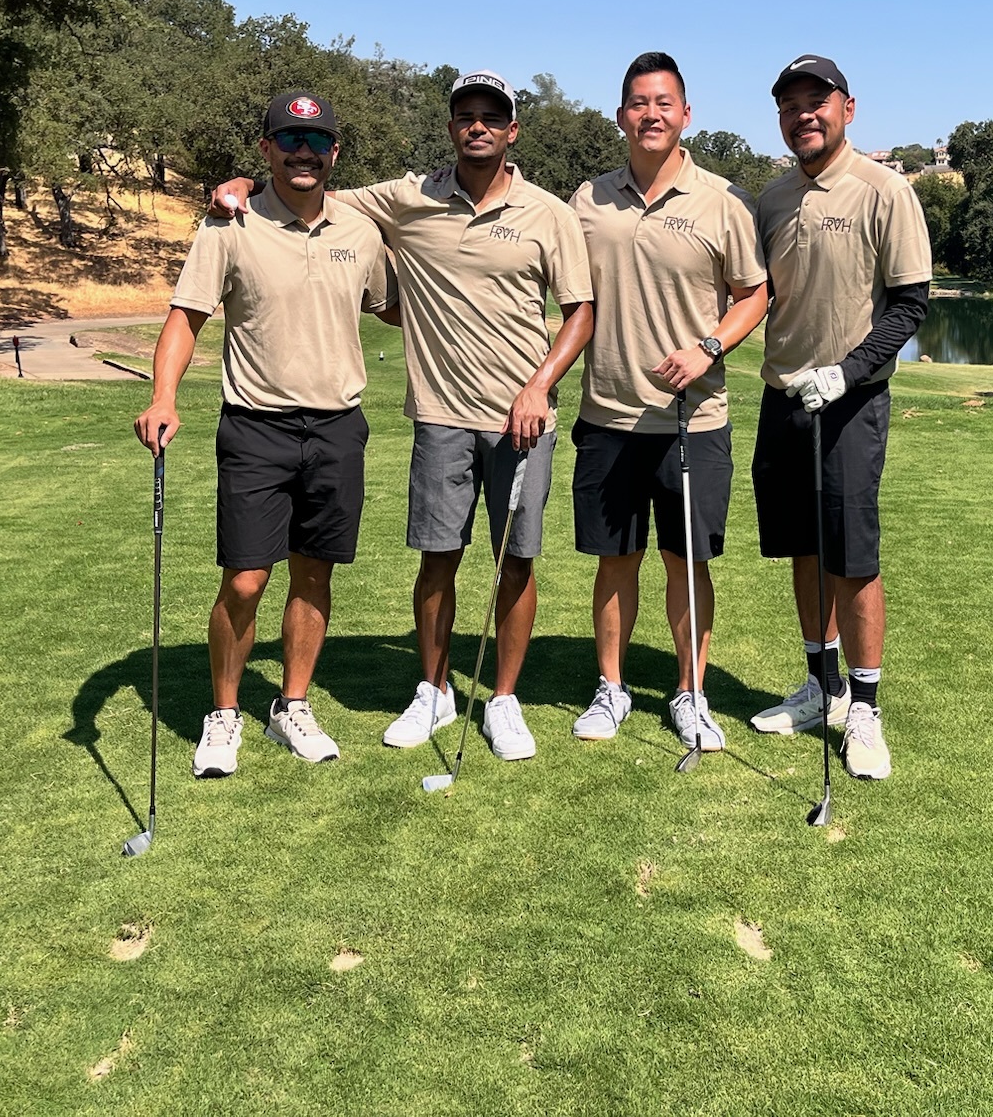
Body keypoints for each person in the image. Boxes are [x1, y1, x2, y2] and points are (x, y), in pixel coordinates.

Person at [209, 72, 593, 762]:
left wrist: (540, 386)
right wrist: (242, 184)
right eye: (465, 115)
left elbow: (580, 312)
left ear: (512, 131)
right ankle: (434, 690)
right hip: (441, 413)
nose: (478, 126)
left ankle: (503, 699)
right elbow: (307, 190)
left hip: (522, 416)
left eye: (492, 116)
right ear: (451, 128)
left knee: (516, 562)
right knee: (438, 561)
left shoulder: (548, 212)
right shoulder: (409, 197)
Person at [134, 91, 398, 773]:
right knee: (246, 580)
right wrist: (163, 397)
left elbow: (390, 306)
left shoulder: (360, 231)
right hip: (256, 428)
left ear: (334, 151)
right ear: (266, 149)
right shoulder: (230, 224)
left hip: (338, 426)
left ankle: (292, 705)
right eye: (289, 140)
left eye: (316, 142)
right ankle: (224, 714)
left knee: (314, 575)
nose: (303, 153)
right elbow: (186, 318)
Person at [566, 51, 768, 753]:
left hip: (694, 420)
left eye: (663, 103)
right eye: (638, 103)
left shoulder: (723, 200)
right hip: (608, 415)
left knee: (688, 562)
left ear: (685, 114)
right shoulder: (588, 201)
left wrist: (709, 347)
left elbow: (754, 294)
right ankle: (611, 688)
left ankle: (691, 693)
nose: (650, 114)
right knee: (615, 560)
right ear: (621, 115)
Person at [747, 55, 933, 780]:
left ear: (847, 109)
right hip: (784, 397)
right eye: (790, 104)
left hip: (850, 404)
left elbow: (910, 305)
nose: (804, 114)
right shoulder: (772, 198)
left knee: (852, 558)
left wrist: (847, 371)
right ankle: (821, 687)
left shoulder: (885, 190)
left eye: (816, 101)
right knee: (805, 549)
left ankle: (865, 708)